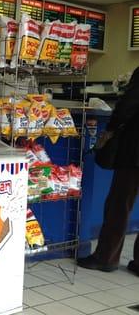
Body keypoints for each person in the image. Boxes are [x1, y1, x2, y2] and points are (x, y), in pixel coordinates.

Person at [77, 67, 139, 276]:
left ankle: (106, 257)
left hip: (135, 152)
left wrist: (110, 130)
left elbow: (128, 105)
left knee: (119, 204)